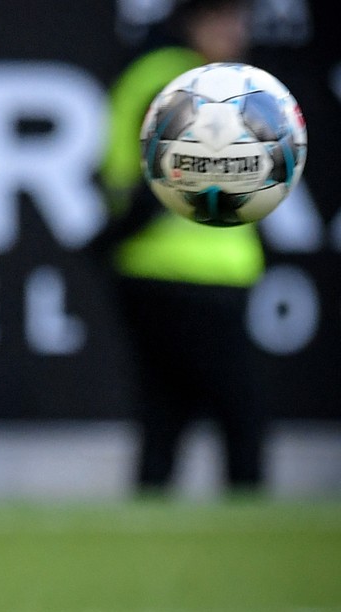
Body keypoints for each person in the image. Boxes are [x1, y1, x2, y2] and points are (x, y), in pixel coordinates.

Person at [96, 0, 270, 495]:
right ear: (193, 21)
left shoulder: (165, 73)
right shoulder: (191, 83)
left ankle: (151, 516)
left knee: (165, 409)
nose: (237, 31)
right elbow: (167, 173)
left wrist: (104, 246)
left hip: (164, 269)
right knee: (240, 409)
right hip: (185, 272)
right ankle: (247, 520)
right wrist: (110, 240)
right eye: (224, 18)